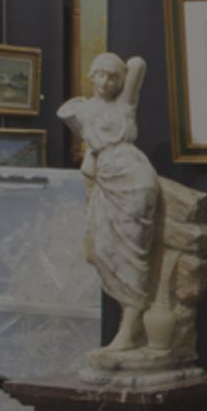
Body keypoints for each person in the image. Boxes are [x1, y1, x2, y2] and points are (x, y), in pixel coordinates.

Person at [58, 53, 160, 352]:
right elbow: (84, 139)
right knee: (98, 250)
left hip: (134, 177)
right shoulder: (81, 110)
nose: (104, 82)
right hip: (105, 180)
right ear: (90, 76)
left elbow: (139, 63)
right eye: (99, 75)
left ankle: (129, 330)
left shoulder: (125, 104)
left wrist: (121, 67)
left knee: (132, 254)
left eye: (111, 76)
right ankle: (129, 328)